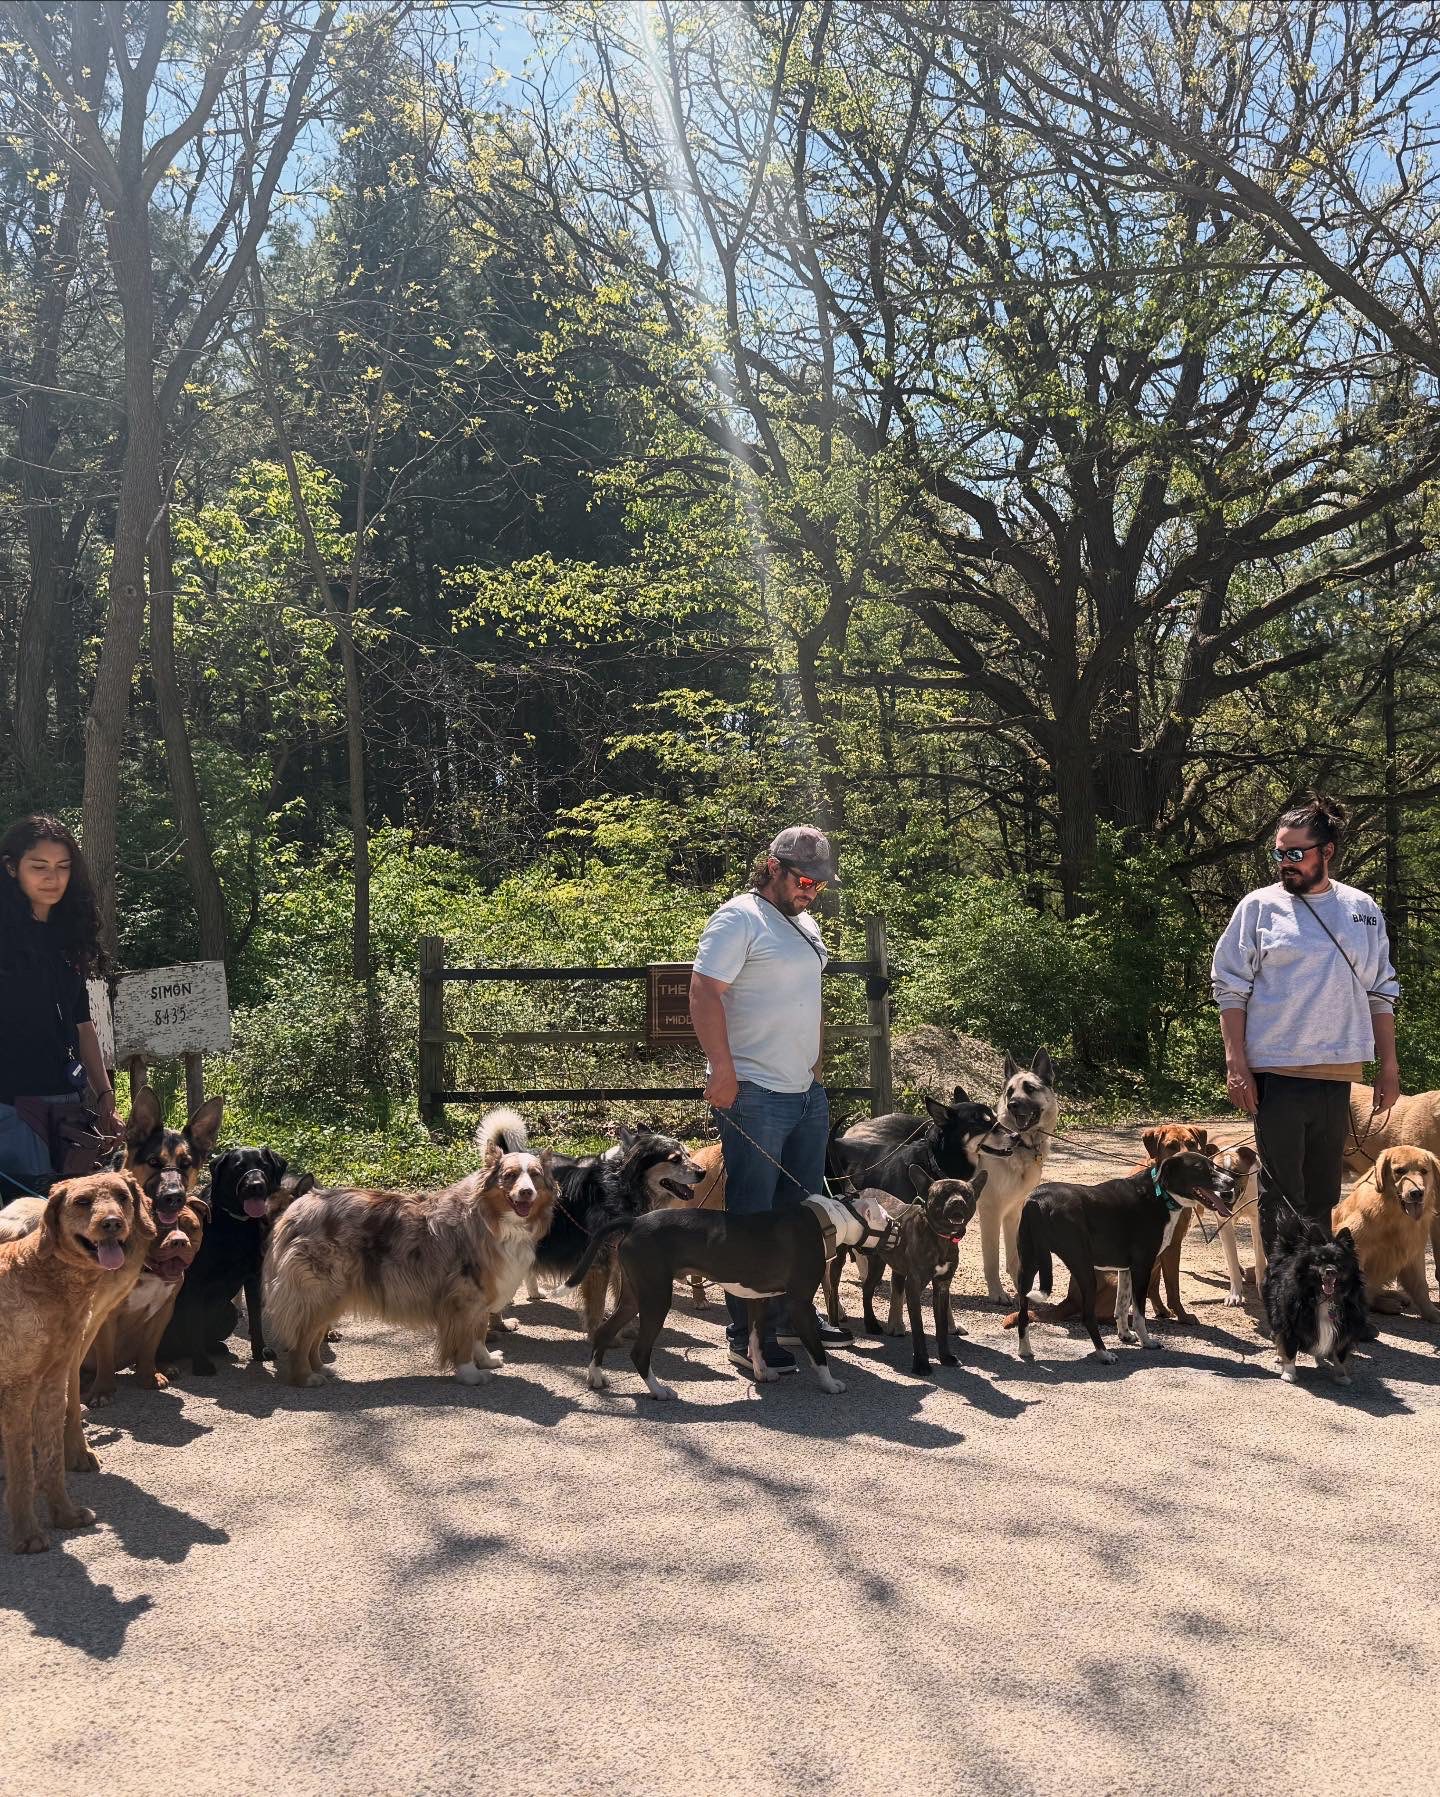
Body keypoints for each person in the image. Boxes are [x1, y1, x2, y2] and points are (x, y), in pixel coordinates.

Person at [689, 825, 852, 1375]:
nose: (812, 891)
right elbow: (704, 991)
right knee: (752, 1216)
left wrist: (816, 1069)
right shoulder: (739, 918)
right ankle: (746, 1333)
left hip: (804, 1090)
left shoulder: (805, 925)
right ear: (773, 867)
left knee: (802, 1213)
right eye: (805, 880)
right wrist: (723, 1069)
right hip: (753, 1090)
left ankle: (790, 1316)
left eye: (820, 884)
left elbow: (809, 999)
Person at [1211, 795, 1400, 1256]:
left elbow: (1381, 990)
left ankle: (1318, 1288)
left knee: (1322, 1193)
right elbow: (1230, 989)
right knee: (1282, 1196)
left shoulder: (1361, 908)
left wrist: (1388, 1067)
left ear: (1327, 851)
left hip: (1339, 1075)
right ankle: (1284, 1292)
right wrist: (1237, 1065)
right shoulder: (1258, 907)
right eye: (1278, 852)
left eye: (1295, 852)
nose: (1284, 862)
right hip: (1276, 1074)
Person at [0, 814, 119, 1197]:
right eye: (39, 867)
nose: (52, 877)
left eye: (62, 867)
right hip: (12, 1106)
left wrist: (106, 1097)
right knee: (29, 1221)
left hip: (70, 1105)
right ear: (11, 868)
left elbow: (82, 1022)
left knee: (75, 1218)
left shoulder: (69, 936)